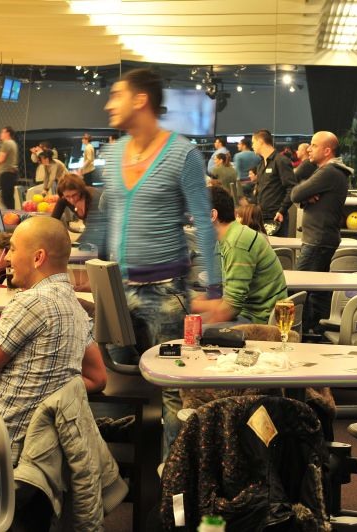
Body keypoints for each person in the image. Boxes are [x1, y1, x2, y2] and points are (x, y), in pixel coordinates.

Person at [102, 67, 221, 457]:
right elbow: (107, 219)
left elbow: (203, 220)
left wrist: (215, 287)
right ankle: (119, 470)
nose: (109, 104)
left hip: (167, 294)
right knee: (111, 381)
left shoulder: (182, 153)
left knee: (174, 390)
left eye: (117, 95)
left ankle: (174, 479)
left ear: (141, 100)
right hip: (117, 289)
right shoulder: (114, 153)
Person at [0, 216, 107, 463]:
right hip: (42, 452)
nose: (8, 258)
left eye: (13, 250)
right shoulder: (76, 307)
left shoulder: (31, 302)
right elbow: (98, 378)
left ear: (38, 257)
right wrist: (49, 386)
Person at [192, 185, 287, 326]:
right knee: (189, 322)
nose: (192, 219)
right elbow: (218, 292)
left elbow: (231, 307)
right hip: (247, 311)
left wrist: (197, 327)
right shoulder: (224, 239)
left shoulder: (237, 243)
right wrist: (193, 303)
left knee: (193, 331)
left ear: (212, 215)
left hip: (260, 319)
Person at [290, 131, 351, 333]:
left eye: (314, 145)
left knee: (297, 289)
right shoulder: (330, 172)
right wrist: (307, 197)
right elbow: (301, 195)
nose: (309, 149)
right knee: (316, 291)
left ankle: (302, 332)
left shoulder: (329, 172)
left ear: (327, 151)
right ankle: (313, 331)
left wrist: (304, 196)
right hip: (320, 238)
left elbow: (295, 193)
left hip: (317, 240)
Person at [253, 129, 297, 237]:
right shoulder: (260, 165)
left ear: (260, 142)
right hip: (261, 216)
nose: (252, 146)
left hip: (276, 217)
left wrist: (282, 210)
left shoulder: (281, 161)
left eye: (253, 143)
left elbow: (292, 188)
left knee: (277, 247)